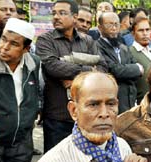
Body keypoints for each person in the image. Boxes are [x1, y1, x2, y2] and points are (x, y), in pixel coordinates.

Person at [36, 0, 107, 152]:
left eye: (62, 13)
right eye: (54, 13)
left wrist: (76, 78)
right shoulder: (45, 40)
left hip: (86, 116)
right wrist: (89, 69)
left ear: (74, 17)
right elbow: (52, 67)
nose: (56, 17)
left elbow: (103, 67)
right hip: (57, 117)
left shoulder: (87, 41)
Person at [0, 18, 40, 162]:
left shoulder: (33, 63)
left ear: (26, 48)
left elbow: (37, 92)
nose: (4, 47)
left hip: (22, 142)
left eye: (14, 44)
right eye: (4, 39)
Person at [96, 12, 143, 113]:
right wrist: (135, 69)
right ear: (100, 28)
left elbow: (139, 71)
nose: (114, 28)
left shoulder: (123, 47)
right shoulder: (97, 46)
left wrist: (133, 70)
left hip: (130, 101)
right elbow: (113, 70)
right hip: (112, 102)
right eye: (109, 24)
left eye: (116, 24)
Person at [129, 16, 151, 104]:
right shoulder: (129, 52)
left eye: (147, 30)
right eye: (141, 30)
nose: (145, 33)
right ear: (133, 33)